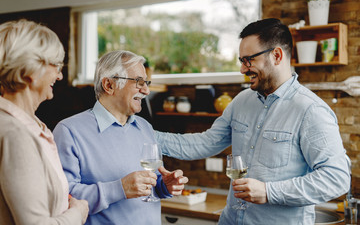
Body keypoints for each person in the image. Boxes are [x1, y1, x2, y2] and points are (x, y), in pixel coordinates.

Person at [154, 18, 350, 224]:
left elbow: (336, 178)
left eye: (249, 60)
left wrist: (268, 191)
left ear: (276, 55)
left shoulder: (311, 110)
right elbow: (205, 143)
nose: (242, 69)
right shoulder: (241, 101)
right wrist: (143, 134)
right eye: (241, 61)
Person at [53, 50, 188, 225]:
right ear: (109, 85)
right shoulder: (68, 131)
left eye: (146, 82)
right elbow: (62, 197)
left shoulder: (144, 127)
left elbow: (150, 183)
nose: (146, 90)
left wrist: (164, 186)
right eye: (139, 82)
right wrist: (119, 188)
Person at [0, 19, 89, 225]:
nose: (59, 76)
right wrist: (78, 213)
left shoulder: (29, 125)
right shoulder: (15, 134)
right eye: (56, 65)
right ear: (31, 70)